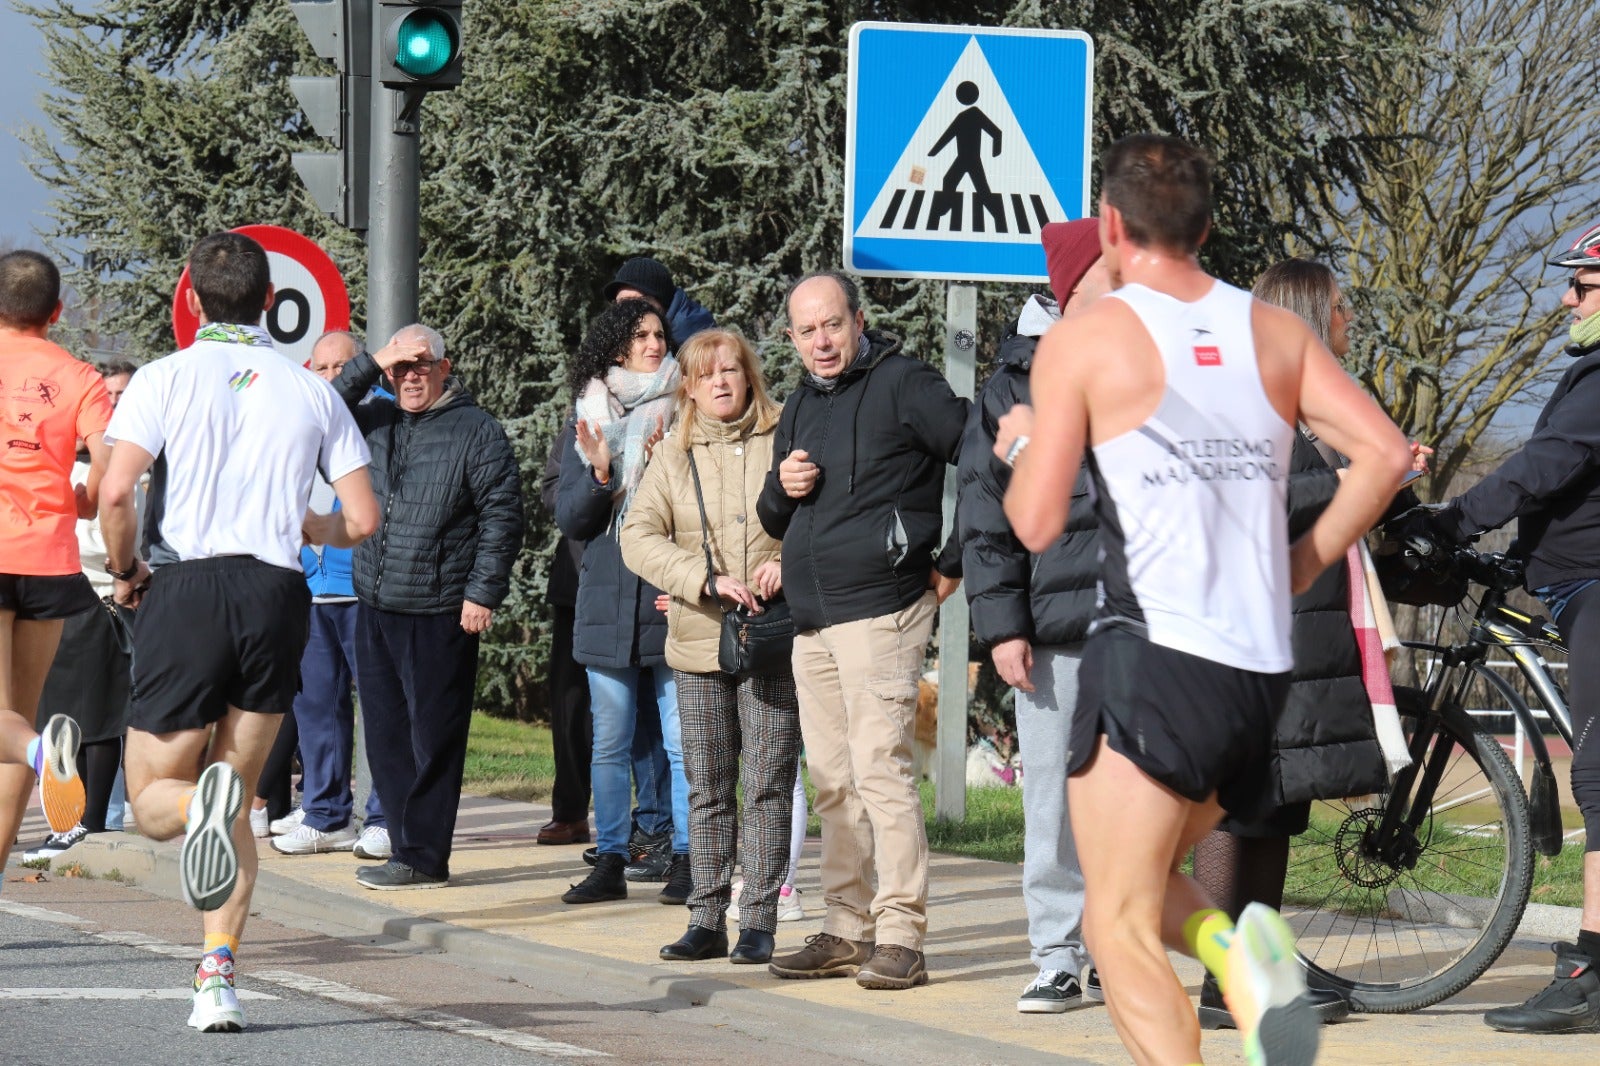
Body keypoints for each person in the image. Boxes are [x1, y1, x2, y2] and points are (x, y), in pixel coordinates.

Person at [997, 134, 1410, 1066]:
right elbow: (1384, 455)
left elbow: (1033, 523)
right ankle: (1241, 956)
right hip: (1258, 673)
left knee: (1116, 924)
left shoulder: (1087, 340)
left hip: (1153, 658)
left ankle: (1235, 971)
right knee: (1140, 876)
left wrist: (1021, 443)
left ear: (1109, 225)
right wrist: (1304, 559)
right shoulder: (1275, 330)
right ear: (1209, 226)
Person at [99, 230, 378, 1033]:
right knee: (236, 790)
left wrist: (125, 569)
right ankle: (217, 976)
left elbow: (117, 491)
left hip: (185, 588)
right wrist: (311, 524)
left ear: (190, 300)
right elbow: (361, 517)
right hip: (277, 593)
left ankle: (202, 812)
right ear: (271, 303)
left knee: (154, 799)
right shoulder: (312, 390)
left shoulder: (163, 376)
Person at [758, 270, 969, 991]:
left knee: (881, 773)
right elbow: (771, 518)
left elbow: (984, 455)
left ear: (858, 320)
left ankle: (902, 935)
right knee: (833, 783)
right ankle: (846, 928)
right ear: (792, 339)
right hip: (812, 621)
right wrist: (778, 489)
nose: (821, 341)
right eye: (806, 331)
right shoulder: (798, 409)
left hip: (883, 611)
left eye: (832, 325)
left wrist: (956, 560)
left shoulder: (906, 384)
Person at [1423, 220, 1600, 1034]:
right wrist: (1512, 560)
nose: (1567, 297)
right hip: (1572, 586)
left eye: (1583, 286)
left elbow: (1547, 466)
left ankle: (1593, 973)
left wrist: (1455, 520)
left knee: (1597, 777)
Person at [956, 217, 1111, 1013]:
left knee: (1136, 798)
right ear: (1068, 288)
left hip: (1144, 622)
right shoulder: (1012, 386)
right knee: (1051, 797)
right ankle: (1057, 955)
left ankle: (1119, 954)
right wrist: (1004, 624)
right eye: (1105, 276)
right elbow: (986, 516)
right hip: (1051, 626)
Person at [621, 327, 801, 965]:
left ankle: (758, 919)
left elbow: (819, 518)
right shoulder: (672, 452)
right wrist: (701, 578)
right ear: (690, 388)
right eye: (706, 374)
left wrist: (786, 563)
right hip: (699, 639)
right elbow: (637, 536)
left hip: (773, 639)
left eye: (731, 369)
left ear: (749, 374)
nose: (721, 382)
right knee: (707, 784)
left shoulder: (787, 436)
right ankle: (706, 917)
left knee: (769, 781)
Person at [328, 323, 523, 891]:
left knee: (434, 738)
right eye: (400, 368)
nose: (411, 376)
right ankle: (404, 847)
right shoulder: (375, 421)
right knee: (386, 734)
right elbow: (317, 409)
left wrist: (482, 593)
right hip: (377, 603)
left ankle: (425, 856)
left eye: (421, 364)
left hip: (441, 609)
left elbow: (502, 518)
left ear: (446, 366)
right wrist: (373, 360)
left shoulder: (477, 430)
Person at [556, 298, 690, 906]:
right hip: (609, 598)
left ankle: (690, 857)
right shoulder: (589, 415)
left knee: (681, 742)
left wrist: (666, 467)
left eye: (660, 334)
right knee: (609, 744)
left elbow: (697, 514)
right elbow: (572, 519)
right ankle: (611, 859)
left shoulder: (687, 410)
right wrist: (603, 474)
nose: (655, 344)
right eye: (641, 335)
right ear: (616, 346)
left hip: (670, 596)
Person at [0, 250, 110, 883]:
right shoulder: (80, 376)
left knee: (8, 726)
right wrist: (87, 498)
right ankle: (41, 750)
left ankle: (45, 751)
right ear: (57, 312)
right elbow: (110, 461)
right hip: (48, 557)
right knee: (20, 710)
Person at [269, 330, 388, 859]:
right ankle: (326, 813)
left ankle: (385, 816)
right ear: (307, 367)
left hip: (363, 586)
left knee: (381, 708)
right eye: (323, 369)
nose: (333, 378)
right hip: (309, 587)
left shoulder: (379, 412)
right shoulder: (298, 415)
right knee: (317, 707)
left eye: (344, 367)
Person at [25, 361, 144, 862]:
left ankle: (89, 826)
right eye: (106, 397)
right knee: (75, 722)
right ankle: (77, 825)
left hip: (100, 601)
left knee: (97, 722)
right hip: (76, 598)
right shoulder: (76, 467)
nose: (112, 406)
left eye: (122, 396)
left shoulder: (128, 468)